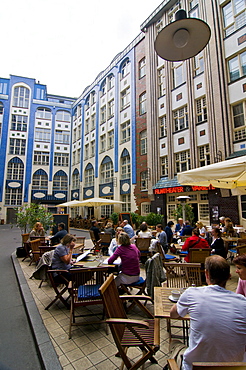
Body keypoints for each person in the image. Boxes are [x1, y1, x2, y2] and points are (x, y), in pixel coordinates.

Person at [170, 255, 246, 370]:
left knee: (175, 344)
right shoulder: (243, 303)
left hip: (195, 367)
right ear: (229, 277)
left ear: (206, 274)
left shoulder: (192, 293)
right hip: (234, 367)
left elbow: (173, 315)